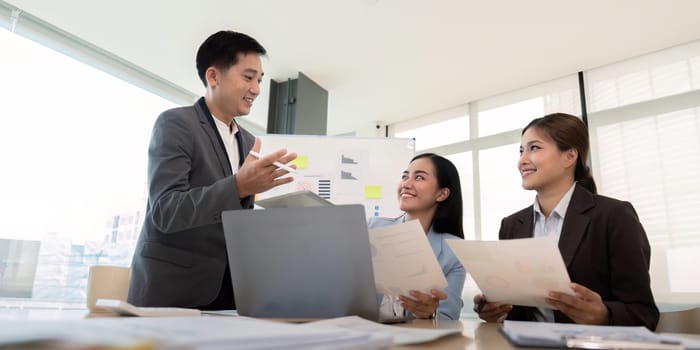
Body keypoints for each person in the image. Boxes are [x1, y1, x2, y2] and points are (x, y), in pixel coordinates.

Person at [128, 30, 296, 309]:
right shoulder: (176, 124)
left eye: (259, 80)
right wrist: (239, 186)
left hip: (231, 292)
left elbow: (233, 219)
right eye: (248, 77)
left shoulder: (249, 141)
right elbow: (166, 211)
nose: (256, 89)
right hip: (174, 291)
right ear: (213, 76)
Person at [474, 113, 658, 330]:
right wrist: (494, 309)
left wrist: (604, 315)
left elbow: (644, 313)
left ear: (569, 156)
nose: (522, 160)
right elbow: (518, 309)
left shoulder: (614, 216)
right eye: (521, 150)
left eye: (534, 148)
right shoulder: (512, 225)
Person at [368, 153, 466, 320]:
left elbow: (448, 319)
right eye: (405, 176)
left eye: (419, 177)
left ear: (441, 194)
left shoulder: (454, 252)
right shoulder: (372, 228)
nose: (406, 183)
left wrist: (430, 314)